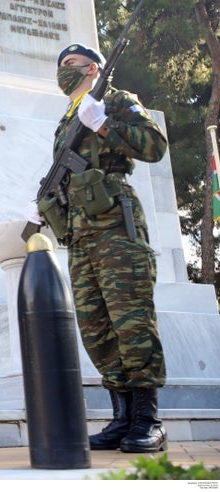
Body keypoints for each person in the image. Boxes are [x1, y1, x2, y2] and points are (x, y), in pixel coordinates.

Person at [29, 43, 168, 453]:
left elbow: (154, 146)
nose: (63, 71)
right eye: (60, 66)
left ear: (93, 68)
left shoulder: (117, 101)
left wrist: (105, 123)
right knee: (97, 330)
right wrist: (43, 204)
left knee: (132, 323)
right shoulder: (65, 122)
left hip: (116, 230)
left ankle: (149, 420)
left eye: (71, 65)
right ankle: (122, 418)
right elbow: (66, 178)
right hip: (81, 238)